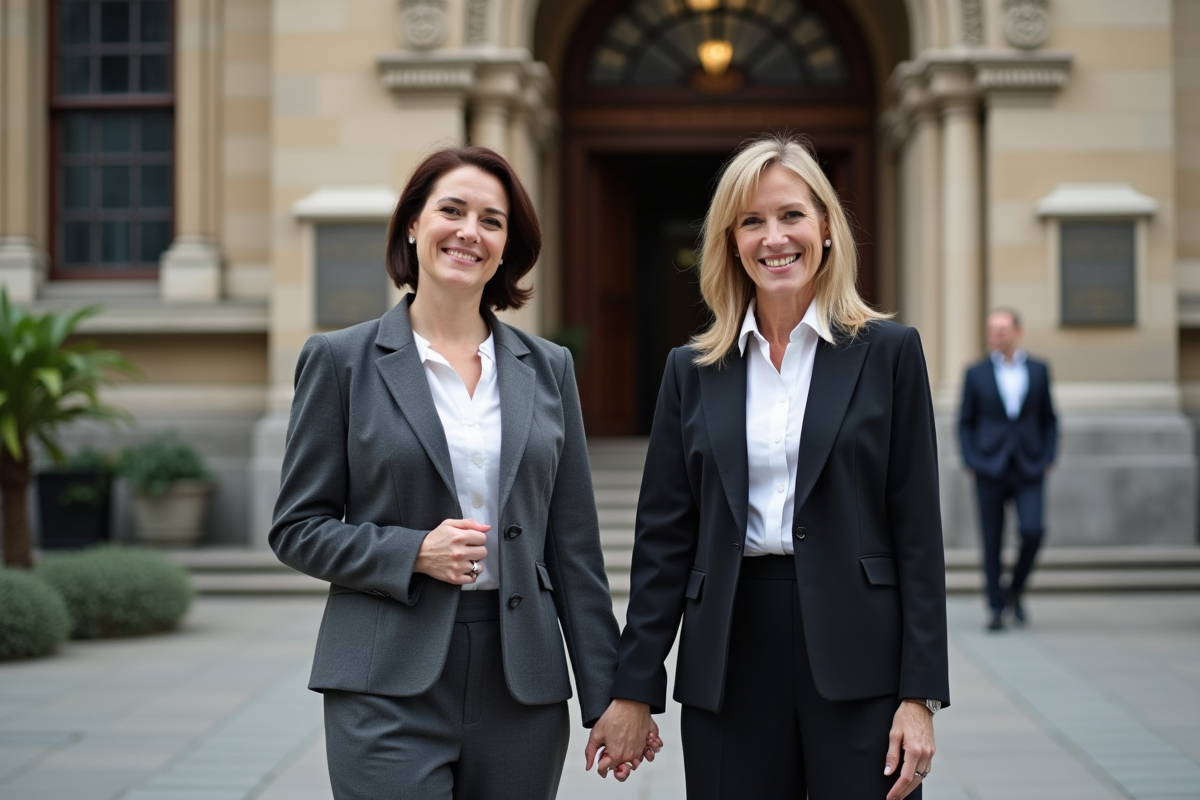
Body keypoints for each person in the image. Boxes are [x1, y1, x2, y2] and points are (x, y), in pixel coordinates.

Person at [270, 145, 656, 799]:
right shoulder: (341, 361)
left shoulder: (549, 368)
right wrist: (413, 550)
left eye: (492, 220)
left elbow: (574, 553)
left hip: (521, 684)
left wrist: (611, 696)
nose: (469, 232)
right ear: (414, 224)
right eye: (452, 210)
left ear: (506, 247)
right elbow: (297, 528)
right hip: (384, 678)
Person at [586, 133, 950, 799]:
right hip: (729, 653)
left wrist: (920, 695)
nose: (773, 237)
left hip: (860, 657)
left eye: (790, 215)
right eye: (751, 221)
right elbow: (663, 543)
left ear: (826, 229)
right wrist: (633, 689)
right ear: (729, 243)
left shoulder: (890, 353)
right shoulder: (690, 370)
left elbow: (918, 534)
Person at [958, 308, 1058, 631]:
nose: (996, 335)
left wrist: (1048, 458)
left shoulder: (1040, 370)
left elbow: (1049, 419)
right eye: (992, 330)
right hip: (989, 466)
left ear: (1018, 331)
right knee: (992, 541)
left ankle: (1013, 590)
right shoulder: (976, 373)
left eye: (1002, 329)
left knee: (1033, 530)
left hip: (1029, 466)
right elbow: (965, 423)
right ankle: (996, 607)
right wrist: (971, 460)